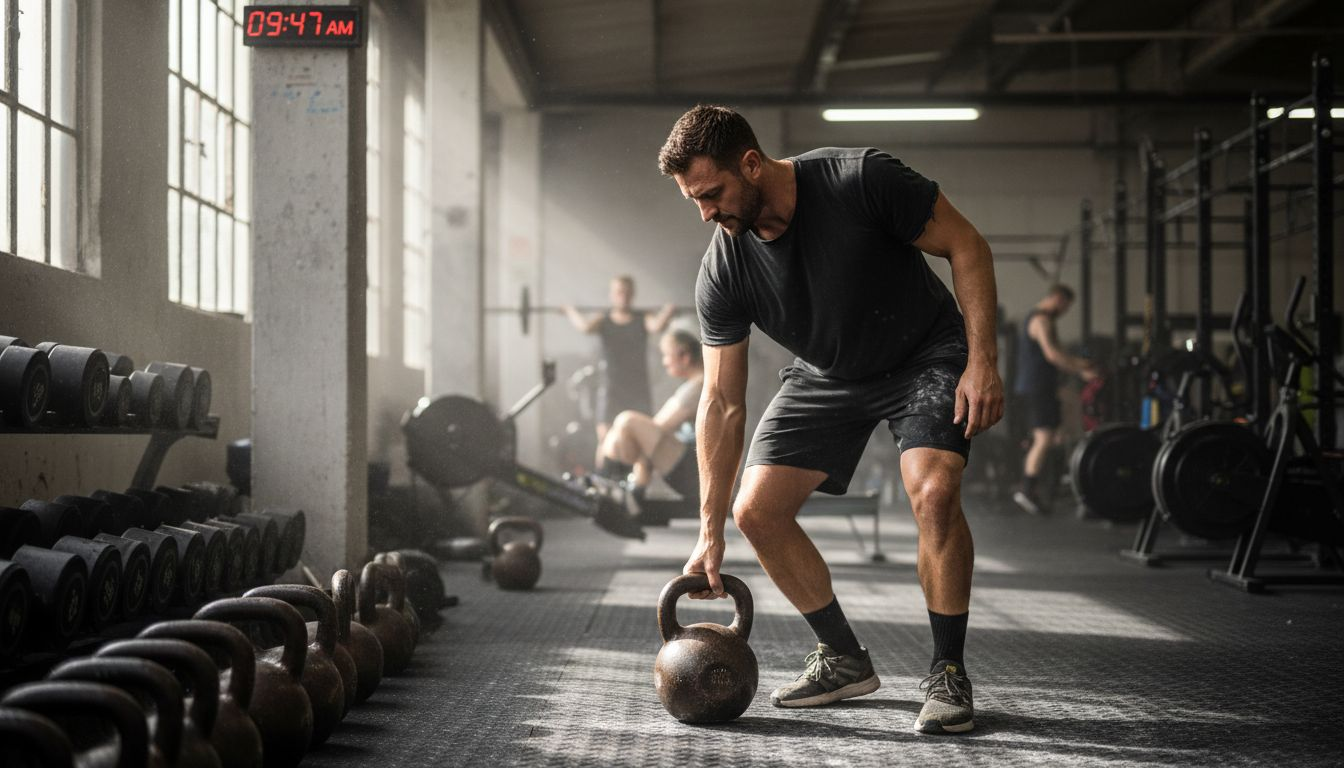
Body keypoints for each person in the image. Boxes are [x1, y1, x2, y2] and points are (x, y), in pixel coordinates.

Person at [658, 105, 1003, 734]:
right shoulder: (724, 265)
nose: (706, 213)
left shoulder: (860, 179)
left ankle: (948, 670)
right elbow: (721, 401)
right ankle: (843, 657)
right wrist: (709, 530)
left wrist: (982, 361)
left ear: (752, 164)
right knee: (755, 511)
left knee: (933, 490)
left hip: (924, 353)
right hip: (827, 372)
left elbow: (967, 246)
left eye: (712, 193)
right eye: (693, 200)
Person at [562, 276, 676, 467]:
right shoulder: (603, 319)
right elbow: (584, 327)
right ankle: (602, 484)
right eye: (619, 292)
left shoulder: (643, 317)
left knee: (642, 439)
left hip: (637, 387)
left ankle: (639, 485)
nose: (623, 296)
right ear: (612, 295)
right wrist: (569, 310)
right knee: (605, 437)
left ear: (632, 294)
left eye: (626, 292)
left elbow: (657, 326)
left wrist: (668, 311)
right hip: (611, 387)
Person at [1011, 285, 1095, 515]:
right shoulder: (1041, 321)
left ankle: (1042, 489)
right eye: (1065, 307)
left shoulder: (1041, 319)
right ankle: (1027, 490)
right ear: (1058, 299)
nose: (1064, 311)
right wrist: (1081, 368)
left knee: (1055, 437)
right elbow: (1053, 355)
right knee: (1044, 438)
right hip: (1037, 389)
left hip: (1043, 388)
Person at [595, 329, 704, 502]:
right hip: (688, 466)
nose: (664, 362)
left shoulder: (697, 388)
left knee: (627, 421)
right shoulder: (695, 385)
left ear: (684, 356)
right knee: (624, 429)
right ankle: (623, 491)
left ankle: (608, 487)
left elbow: (659, 426)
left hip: (695, 473)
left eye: (666, 355)